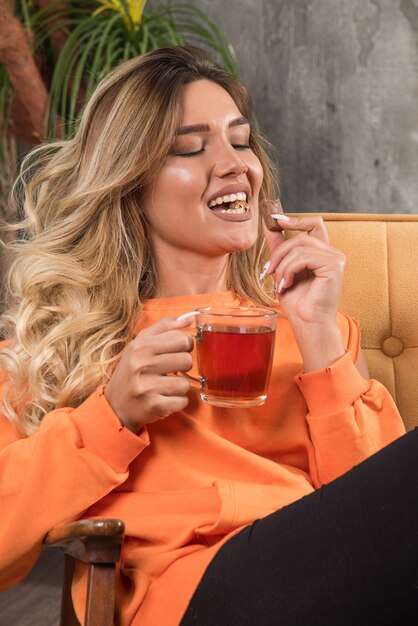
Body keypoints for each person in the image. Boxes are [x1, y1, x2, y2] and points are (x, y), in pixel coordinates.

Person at [0, 46, 416, 626]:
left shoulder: (314, 328)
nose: (234, 164)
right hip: (198, 597)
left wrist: (319, 333)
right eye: (190, 148)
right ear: (130, 183)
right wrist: (110, 415)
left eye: (241, 141)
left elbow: (376, 518)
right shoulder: (60, 346)